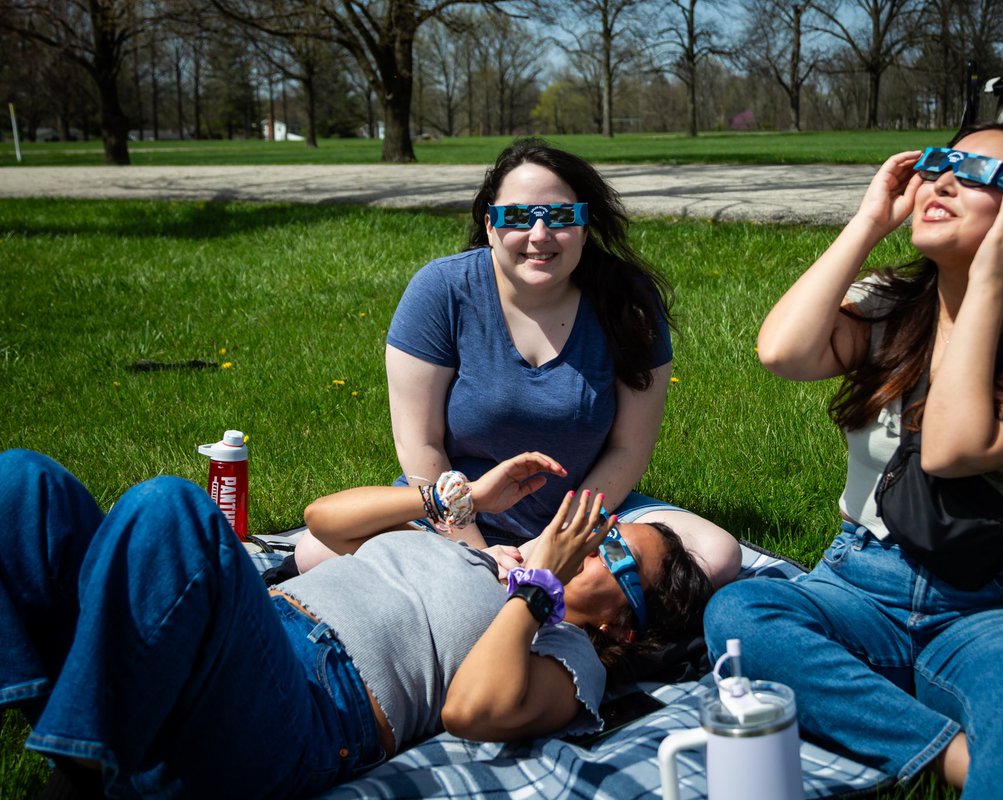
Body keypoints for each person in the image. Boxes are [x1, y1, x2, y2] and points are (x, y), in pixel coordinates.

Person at [704, 112, 1003, 798]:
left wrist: (986, 285)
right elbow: (782, 351)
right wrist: (869, 221)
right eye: (937, 165)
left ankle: (902, 718)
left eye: (978, 173)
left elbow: (952, 452)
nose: (943, 182)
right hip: (858, 583)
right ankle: (956, 755)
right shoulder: (892, 308)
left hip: (997, 606)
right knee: (740, 616)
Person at [0, 448, 712, 799]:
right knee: (24, 484)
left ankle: (83, 762)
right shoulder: (482, 557)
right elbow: (323, 519)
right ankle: (85, 737)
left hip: (304, 707)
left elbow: (472, 709)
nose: (593, 537)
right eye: (609, 527)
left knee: (171, 509)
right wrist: (448, 500)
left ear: (623, 628)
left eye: (613, 552)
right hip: (245, 636)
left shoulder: (569, 654)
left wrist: (539, 587)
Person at [293, 137, 742, 586]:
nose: (540, 235)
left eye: (563, 217)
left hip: (584, 513)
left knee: (716, 555)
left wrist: (556, 542)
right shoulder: (441, 291)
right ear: (490, 225)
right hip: (455, 512)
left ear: (585, 226)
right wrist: (476, 551)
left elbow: (630, 449)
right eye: (517, 217)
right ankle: (545, 595)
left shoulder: (629, 303)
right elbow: (420, 445)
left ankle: (504, 593)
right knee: (315, 551)